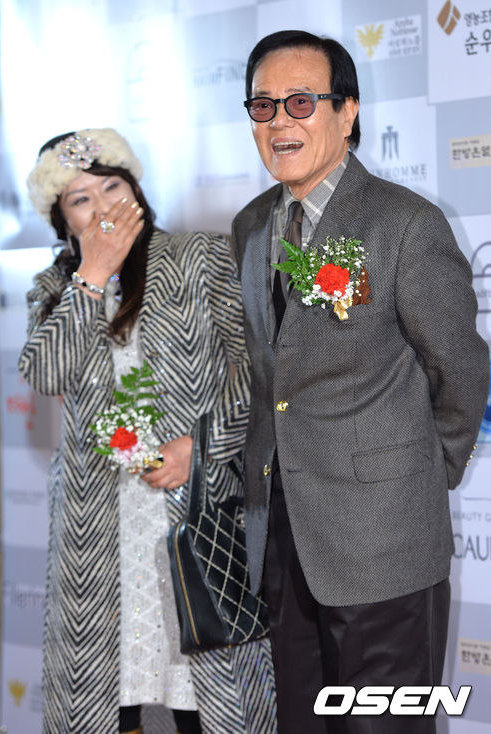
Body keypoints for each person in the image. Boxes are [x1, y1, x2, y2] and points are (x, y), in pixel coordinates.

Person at [232, 29, 489, 734]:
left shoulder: (405, 224)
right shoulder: (252, 226)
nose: (279, 120)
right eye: (262, 105)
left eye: (301, 102)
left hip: (384, 544)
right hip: (283, 544)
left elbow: (461, 370)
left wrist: (416, 475)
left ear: (346, 113)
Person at [19, 128, 276, 734]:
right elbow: (47, 374)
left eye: (112, 186)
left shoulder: (198, 256)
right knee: (108, 698)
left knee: (206, 693)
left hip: (195, 507)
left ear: (135, 189)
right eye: (80, 198)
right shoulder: (56, 288)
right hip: (98, 524)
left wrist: (202, 448)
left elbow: (256, 371)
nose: (102, 206)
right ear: (62, 221)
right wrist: (93, 274)